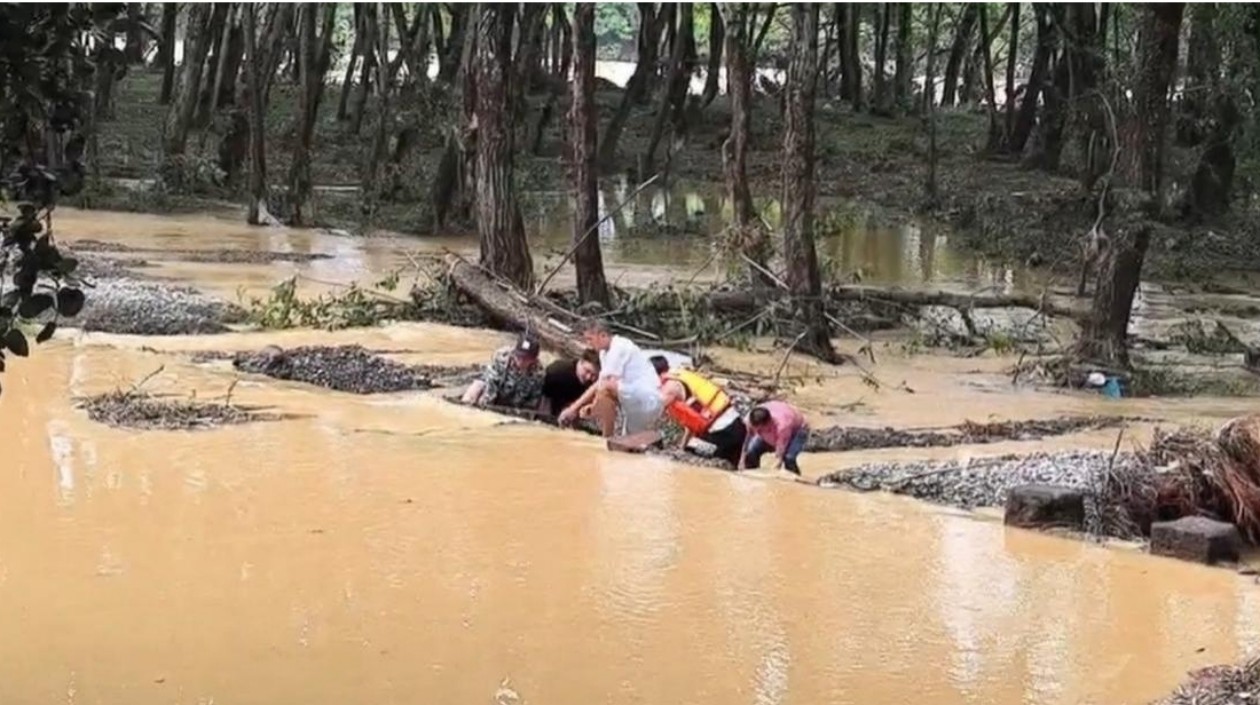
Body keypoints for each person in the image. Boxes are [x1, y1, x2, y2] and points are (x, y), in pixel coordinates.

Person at [558, 320, 662, 437]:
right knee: (626, 447)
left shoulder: (619, 347)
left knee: (605, 388)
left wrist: (573, 409)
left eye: (590, 339)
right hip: (634, 402)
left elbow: (605, 384)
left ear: (603, 335)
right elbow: (601, 383)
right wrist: (591, 406)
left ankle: (606, 437)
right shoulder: (604, 354)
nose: (588, 344)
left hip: (647, 398)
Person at [651, 356, 748, 468]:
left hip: (723, 434)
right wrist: (682, 445)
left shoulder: (670, 387)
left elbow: (653, 412)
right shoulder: (680, 376)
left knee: (690, 452)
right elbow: (692, 422)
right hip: (738, 428)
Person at [461, 335, 545, 409]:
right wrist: (486, 407)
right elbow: (491, 384)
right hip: (496, 392)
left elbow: (533, 399)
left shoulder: (539, 373)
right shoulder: (501, 358)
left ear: (534, 360)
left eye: (526, 358)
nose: (521, 361)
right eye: (519, 356)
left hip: (517, 401)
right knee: (477, 385)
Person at [742, 400, 810, 475]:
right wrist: (742, 460)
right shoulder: (749, 420)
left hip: (798, 429)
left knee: (789, 458)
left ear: (769, 423)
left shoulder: (783, 426)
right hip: (778, 416)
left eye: (760, 429)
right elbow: (746, 439)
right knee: (751, 451)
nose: (758, 431)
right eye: (756, 429)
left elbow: (779, 453)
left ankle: (796, 481)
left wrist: (774, 475)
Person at [541, 348, 600, 419]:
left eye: (593, 375)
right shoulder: (558, 372)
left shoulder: (594, 383)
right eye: (587, 371)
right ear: (581, 362)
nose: (588, 377)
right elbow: (544, 397)